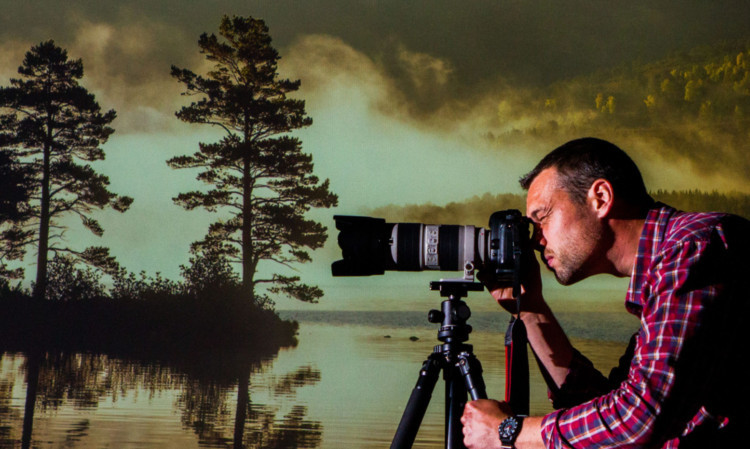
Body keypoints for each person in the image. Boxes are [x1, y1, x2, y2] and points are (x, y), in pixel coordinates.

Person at [461, 137, 749, 448]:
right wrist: (531, 309)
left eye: (541, 218)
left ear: (600, 197)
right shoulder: (668, 265)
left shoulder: (694, 249)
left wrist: (509, 432)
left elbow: (639, 420)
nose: (535, 240)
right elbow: (603, 411)